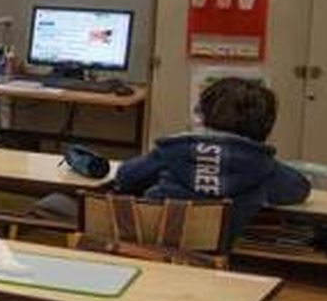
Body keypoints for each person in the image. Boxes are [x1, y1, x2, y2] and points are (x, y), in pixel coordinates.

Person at [114, 76, 310, 240]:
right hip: (216, 258)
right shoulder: (263, 166)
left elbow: (126, 176)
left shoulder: (175, 150)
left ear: (204, 115)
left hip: (151, 249)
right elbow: (299, 190)